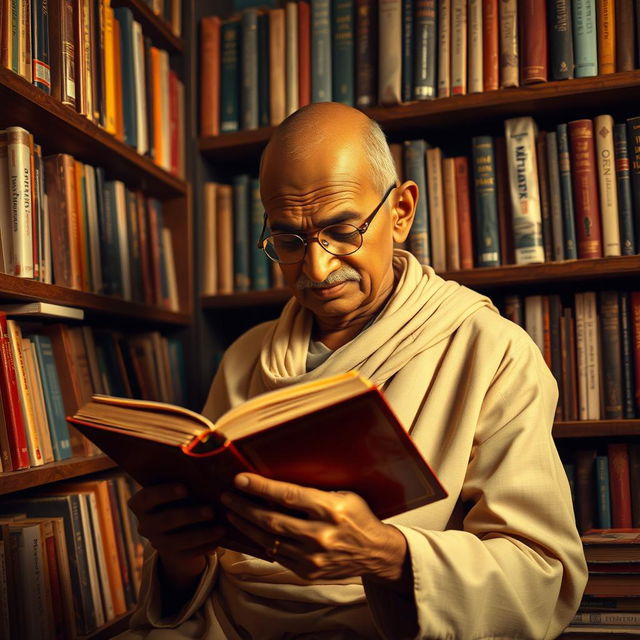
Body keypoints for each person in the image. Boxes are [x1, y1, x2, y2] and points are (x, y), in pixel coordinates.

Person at [121, 102, 587, 640]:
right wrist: (178, 555)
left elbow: (541, 575)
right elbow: (202, 574)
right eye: (290, 239)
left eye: (342, 230)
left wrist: (386, 556)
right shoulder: (246, 355)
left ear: (402, 211)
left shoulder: (492, 352)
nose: (317, 269)